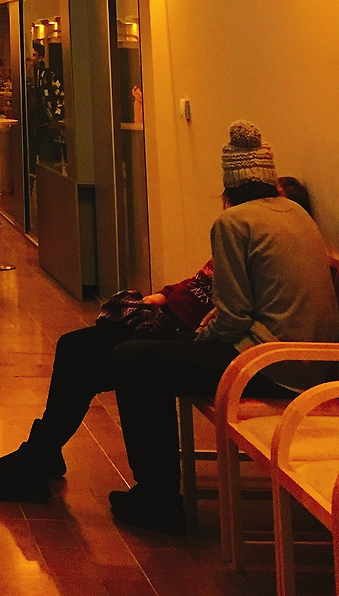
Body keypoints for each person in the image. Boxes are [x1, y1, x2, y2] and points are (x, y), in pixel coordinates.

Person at [106, 122, 339, 534]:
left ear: (228, 185)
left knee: (133, 359)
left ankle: (159, 500)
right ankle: (157, 495)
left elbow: (232, 318)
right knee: (156, 353)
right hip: (312, 364)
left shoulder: (233, 223)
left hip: (269, 365)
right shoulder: (297, 213)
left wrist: (198, 337)